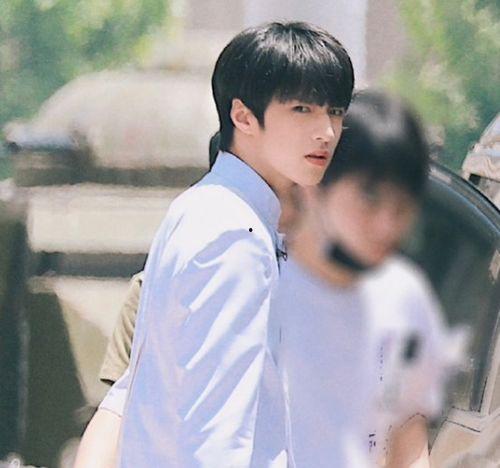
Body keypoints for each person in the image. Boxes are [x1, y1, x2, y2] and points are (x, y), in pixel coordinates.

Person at [76, 21, 355, 467]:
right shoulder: (234, 233)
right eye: (302, 109)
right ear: (242, 116)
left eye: (335, 111)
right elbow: (216, 436)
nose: (326, 131)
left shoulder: (206, 208)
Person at [271, 90, 464, 467]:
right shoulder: (261, 288)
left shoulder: (404, 294)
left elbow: (408, 440)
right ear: (315, 185)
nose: (387, 224)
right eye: (370, 198)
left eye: (402, 205)